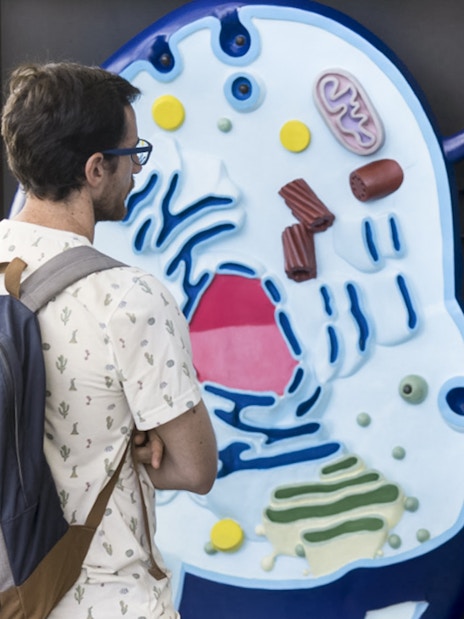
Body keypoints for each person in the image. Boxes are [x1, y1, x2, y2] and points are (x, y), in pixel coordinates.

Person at [0, 61, 218, 618]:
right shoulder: (127, 297)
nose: (136, 173)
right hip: (107, 600)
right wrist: (143, 448)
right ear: (96, 169)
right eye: (132, 156)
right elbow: (195, 469)